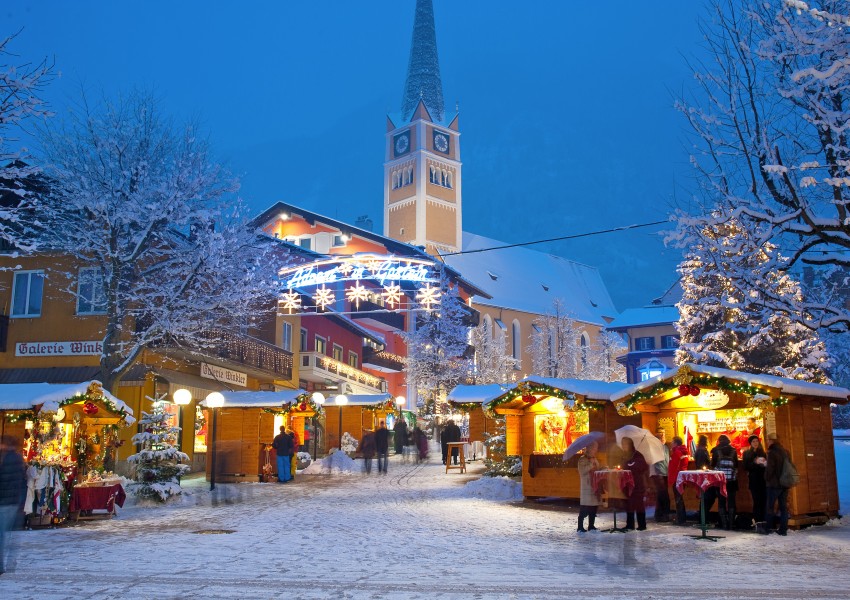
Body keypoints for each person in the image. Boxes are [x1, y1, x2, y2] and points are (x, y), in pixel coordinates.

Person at [0, 436, 26, 575]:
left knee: (2, 535)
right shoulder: (18, 458)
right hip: (15, 501)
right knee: (12, 534)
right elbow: (22, 481)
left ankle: (1, 565)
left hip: (4, 501)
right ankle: (11, 562)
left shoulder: (4, 459)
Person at [763, 432, 789, 535]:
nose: (767, 442)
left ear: (771, 441)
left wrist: (766, 478)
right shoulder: (785, 451)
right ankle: (783, 530)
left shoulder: (772, 452)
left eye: (768, 440)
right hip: (784, 483)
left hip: (774, 484)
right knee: (783, 508)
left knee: (770, 506)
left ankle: (768, 528)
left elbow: (770, 469)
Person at [710, 434, 739, 530]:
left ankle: (724, 524)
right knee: (731, 501)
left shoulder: (716, 451)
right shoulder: (734, 451)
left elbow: (712, 464)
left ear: (719, 441)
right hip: (732, 481)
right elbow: (736, 465)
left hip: (720, 481)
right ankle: (731, 524)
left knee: (721, 501)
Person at [621, 437, 648, 531]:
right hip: (628, 485)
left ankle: (642, 525)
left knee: (639, 504)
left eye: (625, 444)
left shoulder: (638, 455)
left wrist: (632, 465)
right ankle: (630, 524)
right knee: (629, 504)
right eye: (622, 444)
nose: (624, 446)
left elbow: (643, 467)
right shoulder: (624, 455)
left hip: (638, 484)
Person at [742, 434, 767, 527]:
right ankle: (757, 519)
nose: (756, 443)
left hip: (763, 480)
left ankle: (764, 520)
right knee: (756, 500)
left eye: (757, 441)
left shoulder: (762, 452)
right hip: (754, 480)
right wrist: (755, 463)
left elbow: (766, 466)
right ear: (750, 443)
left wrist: (764, 463)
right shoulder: (747, 453)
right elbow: (745, 466)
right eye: (753, 441)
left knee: (763, 500)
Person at [576, 441, 601, 532]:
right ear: (590, 448)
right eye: (594, 448)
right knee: (585, 507)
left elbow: (597, 468)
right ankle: (580, 526)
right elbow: (582, 471)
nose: (596, 450)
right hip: (586, 486)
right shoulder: (582, 459)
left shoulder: (594, 458)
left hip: (594, 485)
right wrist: (591, 464)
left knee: (593, 507)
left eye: (596, 448)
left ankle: (591, 525)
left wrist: (602, 468)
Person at [668, 435, 689, 524]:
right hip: (682, 477)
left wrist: (671, 479)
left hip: (677, 478)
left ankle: (680, 519)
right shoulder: (683, 451)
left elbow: (673, 467)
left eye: (672, 442)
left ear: (676, 443)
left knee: (678, 498)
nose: (671, 444)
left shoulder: (677, 452)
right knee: (679, 497)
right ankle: (681, 518)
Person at [651, 430, 670, 523]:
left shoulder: (664, 447)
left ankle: (659, 515)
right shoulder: (657, 448)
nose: (664, 439)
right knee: (663, 495)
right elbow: (657, 462)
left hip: (663, 473)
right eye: (662, 437)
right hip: (659, 473)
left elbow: (667, 460)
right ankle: (663, 515)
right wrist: (660, 473)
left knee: (661, 494)